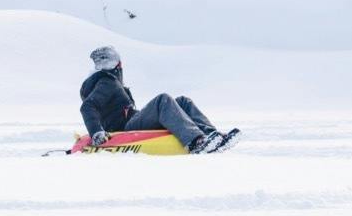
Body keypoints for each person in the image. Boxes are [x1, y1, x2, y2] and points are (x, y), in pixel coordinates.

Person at [79, 45, 237, 154]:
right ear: (117, 65)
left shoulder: (106, 82)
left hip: (130, 121)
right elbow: (87, 107)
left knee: (182, 101)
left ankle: (212, 136)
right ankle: (196, 142)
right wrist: (96, 132)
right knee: (163, 100)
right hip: (124, 128)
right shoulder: (107, 81)